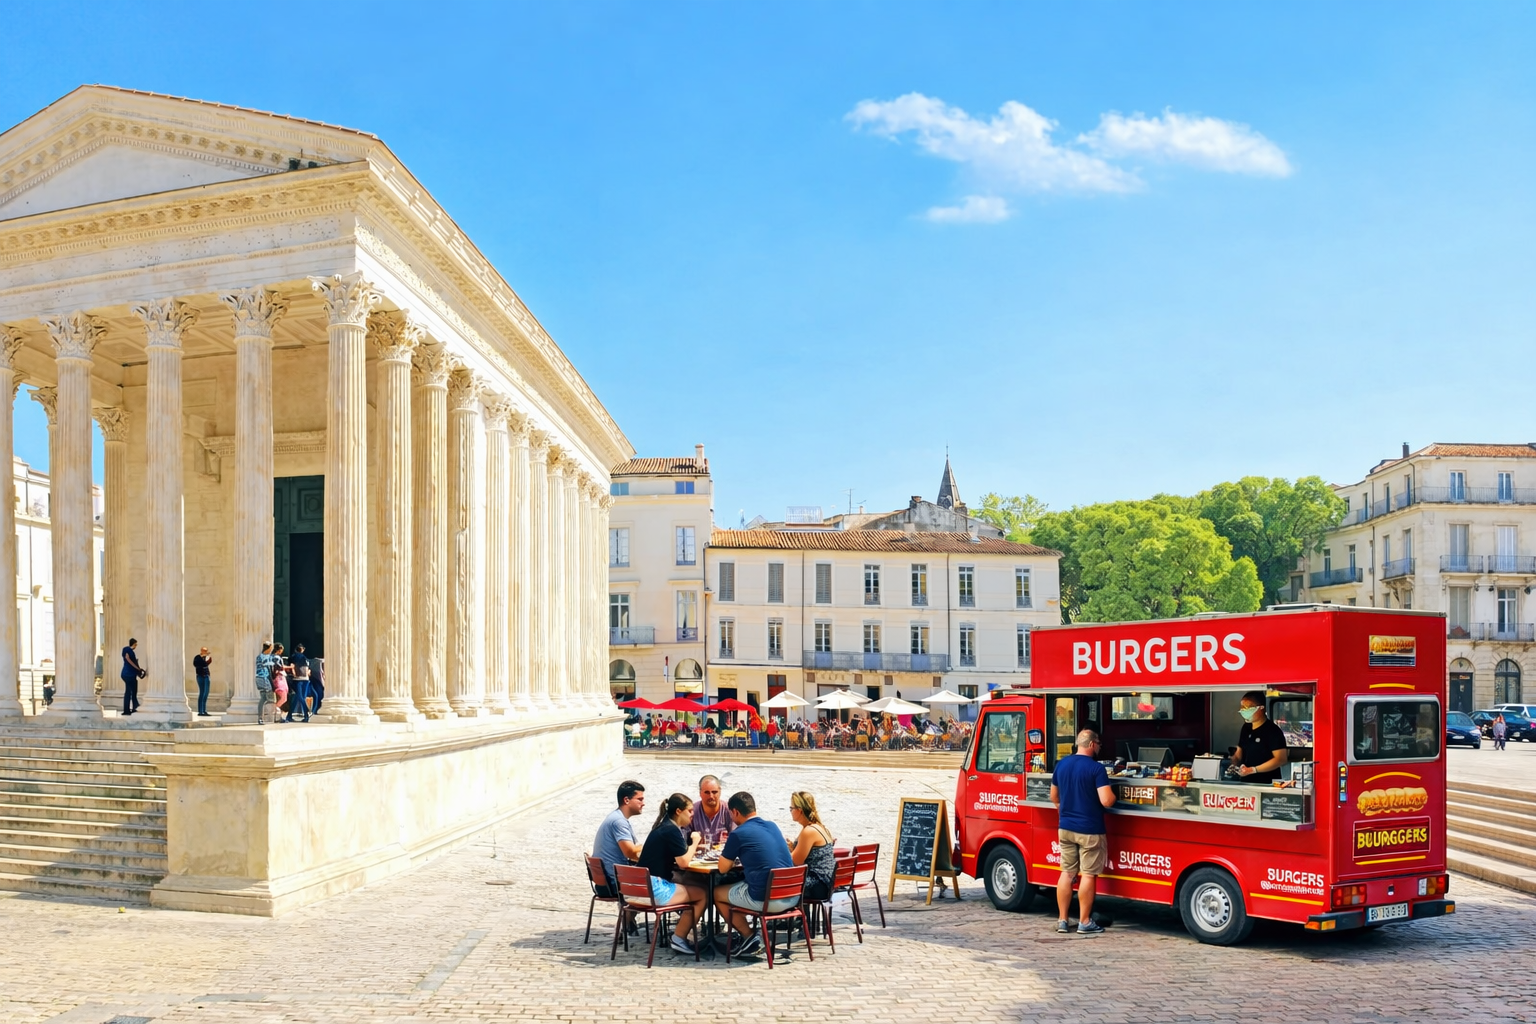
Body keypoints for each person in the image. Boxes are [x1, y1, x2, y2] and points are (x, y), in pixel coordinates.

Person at [1051, 728, 1115, 936]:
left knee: (1067, 873)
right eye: (1098, 744)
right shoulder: (1096, 769)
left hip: (1066, 827)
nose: (1099, 748)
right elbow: (1106, 800)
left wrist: (1063, 807)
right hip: (1089, 829)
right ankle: (1085, 921)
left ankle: (1062, 919)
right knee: (1088, 874)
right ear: (1092, 744)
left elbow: (1054, 796)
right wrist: (1115, 798)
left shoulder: (1062, 764)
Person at [714, 791, 794, 957]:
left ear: (735, 812)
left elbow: (722, 869)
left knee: (717, 893)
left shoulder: (738, 833)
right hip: (792, 896)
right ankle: (746, 934)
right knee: (742, 886)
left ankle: (749, 936)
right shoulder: (772, 825)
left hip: (768, 900)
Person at [637, 792, 709, 955]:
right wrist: (695, 842)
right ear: (678, 811)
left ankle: (683, 929)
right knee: (703, 894)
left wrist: (692, 849)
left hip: (640, 886)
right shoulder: (671, 830)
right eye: (689, 811)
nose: (693, 814)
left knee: (694, 885)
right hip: (654, 888)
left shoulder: (664, 826)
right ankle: (679, 937)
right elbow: (683, 862)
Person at [593, 780, 646, 893]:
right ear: (626, 800)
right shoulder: (619, 821)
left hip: (607, 881)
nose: (643, 803)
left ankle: (628, 910)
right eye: (640, 799)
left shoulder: (616, 817)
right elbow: (631, 853)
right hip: (614, 883)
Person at [787, 791, 836, 902]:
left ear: (799, 810)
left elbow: (796, 862)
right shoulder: (819, 827)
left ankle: (787, 918)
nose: (790, 811)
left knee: (778, 884)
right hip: (826, 882)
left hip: (818, 884)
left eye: (791, 808)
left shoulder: (808, 831)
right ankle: (799, 918)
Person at [1231, 691, 1288, 782]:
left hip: (1267, 782)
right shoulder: (1246, 728)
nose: (1244, 710)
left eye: (1248, 708)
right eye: (1242, 707)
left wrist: (1254, 770)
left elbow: (1281, 759)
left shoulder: (1273, 731)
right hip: (1246, 782)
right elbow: (1240, 751)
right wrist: (1234, 763)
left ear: (1261, 708)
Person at [689, 775, 734, 844]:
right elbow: (683, 842)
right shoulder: (691, 812)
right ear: (700, 793)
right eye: (707, 792)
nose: (711, 796)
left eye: (714, 792)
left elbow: (737, 839)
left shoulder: (730, 811)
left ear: (720, 792)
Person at [285, 643, 311, 723]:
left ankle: (304, 714)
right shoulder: (305, 658)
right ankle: (304, 714)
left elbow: (292, 666)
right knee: (299, 697)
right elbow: (308, 669)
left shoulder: (293, 657)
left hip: (297, 679)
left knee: (298, 697)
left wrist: (294, 674)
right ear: (302, 649)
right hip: (305, 679)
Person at [120, 639, 144, 716]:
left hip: (127, 674)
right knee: (132, 692)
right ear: (133, 644)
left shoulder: (126, 650)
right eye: (135, 644)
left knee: (129, 692)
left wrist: (138, 669)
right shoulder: (127, 649)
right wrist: (137, 669)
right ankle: (134, 707)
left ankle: (129, 709)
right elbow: (128, 659)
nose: (136, 646)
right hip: (129, 674)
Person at [254, 642, 277, 724]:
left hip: (261, 678)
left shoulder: (260, 657)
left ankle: (261, 717)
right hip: (263, 678)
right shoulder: (265, 657)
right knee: (269, 698)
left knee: (263, 699)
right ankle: (269, 717)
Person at [192, 647, 213, 717]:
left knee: (206, 693)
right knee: (201, 693)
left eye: (205, 651)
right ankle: (201, 711)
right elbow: (196, 664)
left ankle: (204, 710)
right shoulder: (197, 657)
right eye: (203, 651)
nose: (204, 652)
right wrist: (202, 658)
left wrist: (205, 657)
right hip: (200, 676)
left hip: (206, 676)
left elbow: (206, 663)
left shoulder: (207, 657)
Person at [271, 644, 289, 717]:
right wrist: (290, 667)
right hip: (280, 678)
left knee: (279, 696)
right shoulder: (277, 658)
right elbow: (281, 667)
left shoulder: (270, 657)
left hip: (275, 678)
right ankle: (275, 708)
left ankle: (276, 710)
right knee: (283, 697)